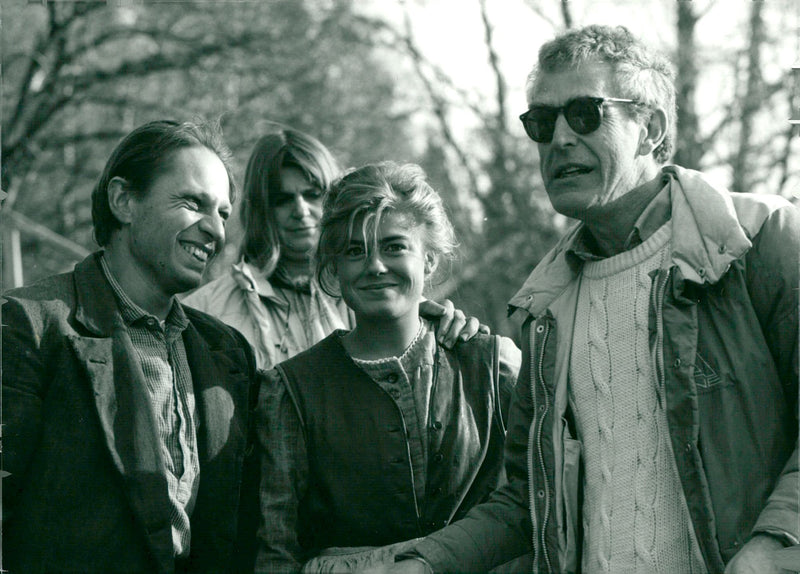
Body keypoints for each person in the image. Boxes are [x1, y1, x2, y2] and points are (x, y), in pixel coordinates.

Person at [379, 25, 799, 574]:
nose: (558, 140)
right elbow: (527, 503)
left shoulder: (760, 242)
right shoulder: (544, 309)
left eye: (584, 114)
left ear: (650, 128)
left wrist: (773, 549)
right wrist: (425, 563)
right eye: (541, 122)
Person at [2, 120, 261, 573]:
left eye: (222, 212)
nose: (215, 229)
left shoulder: (228, 352)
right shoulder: (28, 325)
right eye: (192, 203)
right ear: (123, 200)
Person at [255, 162, 521, 573]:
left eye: (394, 246)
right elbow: (277, 549)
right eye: (355, 251)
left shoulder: (490, 365)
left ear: (429, 260)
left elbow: (533, 498)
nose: (375, 265)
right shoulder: (291, 390)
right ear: (333, 269)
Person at [182, 126, 482, 371]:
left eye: (313, 194)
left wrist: (443, 327)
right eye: (283, 199)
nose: (300, 210)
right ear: (261, 209)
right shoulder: (204, 312)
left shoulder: (376, 294)